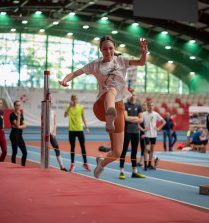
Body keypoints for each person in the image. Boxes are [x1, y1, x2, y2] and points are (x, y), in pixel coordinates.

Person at [59, 35, 148, 178]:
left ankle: (101, 163)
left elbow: (141, 62)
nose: (108, 51)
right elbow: (76, 73)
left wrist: (144, 51)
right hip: (101, 106)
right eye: (105, 49)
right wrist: (65, 80)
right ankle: (109, 118)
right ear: (100, 50)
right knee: (111, 90)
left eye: (111, 48)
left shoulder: (121, 61)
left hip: (118, 108)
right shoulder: (95, 64)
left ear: (114, 49)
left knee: (117, 153)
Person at [119, 90, 145, 179]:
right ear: (129, 96)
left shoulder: (138, 106)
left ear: (136, 96)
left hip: (135, 132)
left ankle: (134, 171)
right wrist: (136, 117)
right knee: (124, 151)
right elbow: (126, 118)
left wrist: (133, 119)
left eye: (134, 95)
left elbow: (141, 120)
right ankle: (121, 171)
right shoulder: (125, 105)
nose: (133, 97)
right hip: (127, 131)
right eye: (131, 95)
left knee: (134, 152)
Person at [64, 94, 91, 172]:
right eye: (73, 99)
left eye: (76, 99)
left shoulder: (80, 107)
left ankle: (85, 163)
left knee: (83, 146)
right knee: (72, 147)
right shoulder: (67, 107)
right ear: (71, 100)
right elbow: (65, 115)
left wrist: (86, 127)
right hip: (71, 130)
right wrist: (69, 106)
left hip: (80, 129)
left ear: (77, 99)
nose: (75, 100)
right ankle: (72, 164)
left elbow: (83, 118)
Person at [141, 101, 166, 170]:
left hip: (154, 134)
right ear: (148, 106)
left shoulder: (155, 114)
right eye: (150, 105)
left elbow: (164, 122)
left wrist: (158, 128)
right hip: (147, 134)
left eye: (153, 105)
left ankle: (149, 164)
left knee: (152, 149)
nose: (152, 107)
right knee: (146, 149)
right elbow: (138, 122)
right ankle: (145, 165)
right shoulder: (143, 114)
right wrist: (142, 130)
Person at [49, 100, 68, 171]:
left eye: (52, 103)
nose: (51, 105)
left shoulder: (53, 112)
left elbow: (54, 123)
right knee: (46, 149)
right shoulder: (44, 112)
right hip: (46, 134)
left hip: (52, 134)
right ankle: (45, 164)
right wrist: (49, 133)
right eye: (50, 103)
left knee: (57, 148)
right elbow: (44, 123)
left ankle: (62, 166)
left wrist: (54, 132)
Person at [9, 101, 27, 166]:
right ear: (14, 106)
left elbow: (24, 125)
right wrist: (18, 116)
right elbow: (17, 124)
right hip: (14, 135)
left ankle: (23, 166)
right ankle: (13, 165)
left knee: (25, 152)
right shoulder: (12, 115)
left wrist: (18, 126)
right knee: (15, 152)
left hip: (19, 135)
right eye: (17, 105)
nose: (18, 107)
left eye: (19, 105)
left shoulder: (21, 114)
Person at [137, 101, 147, 166]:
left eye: (144, 105)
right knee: (142, 147)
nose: (143, 106)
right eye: (142, 105)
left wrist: (145, 132)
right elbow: (138, 124)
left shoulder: (148, 114)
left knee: (146, 147)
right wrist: (142, 129)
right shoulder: (141, 114)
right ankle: (141, 161)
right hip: (142, 131)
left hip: (147, 133)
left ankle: (141, 162)